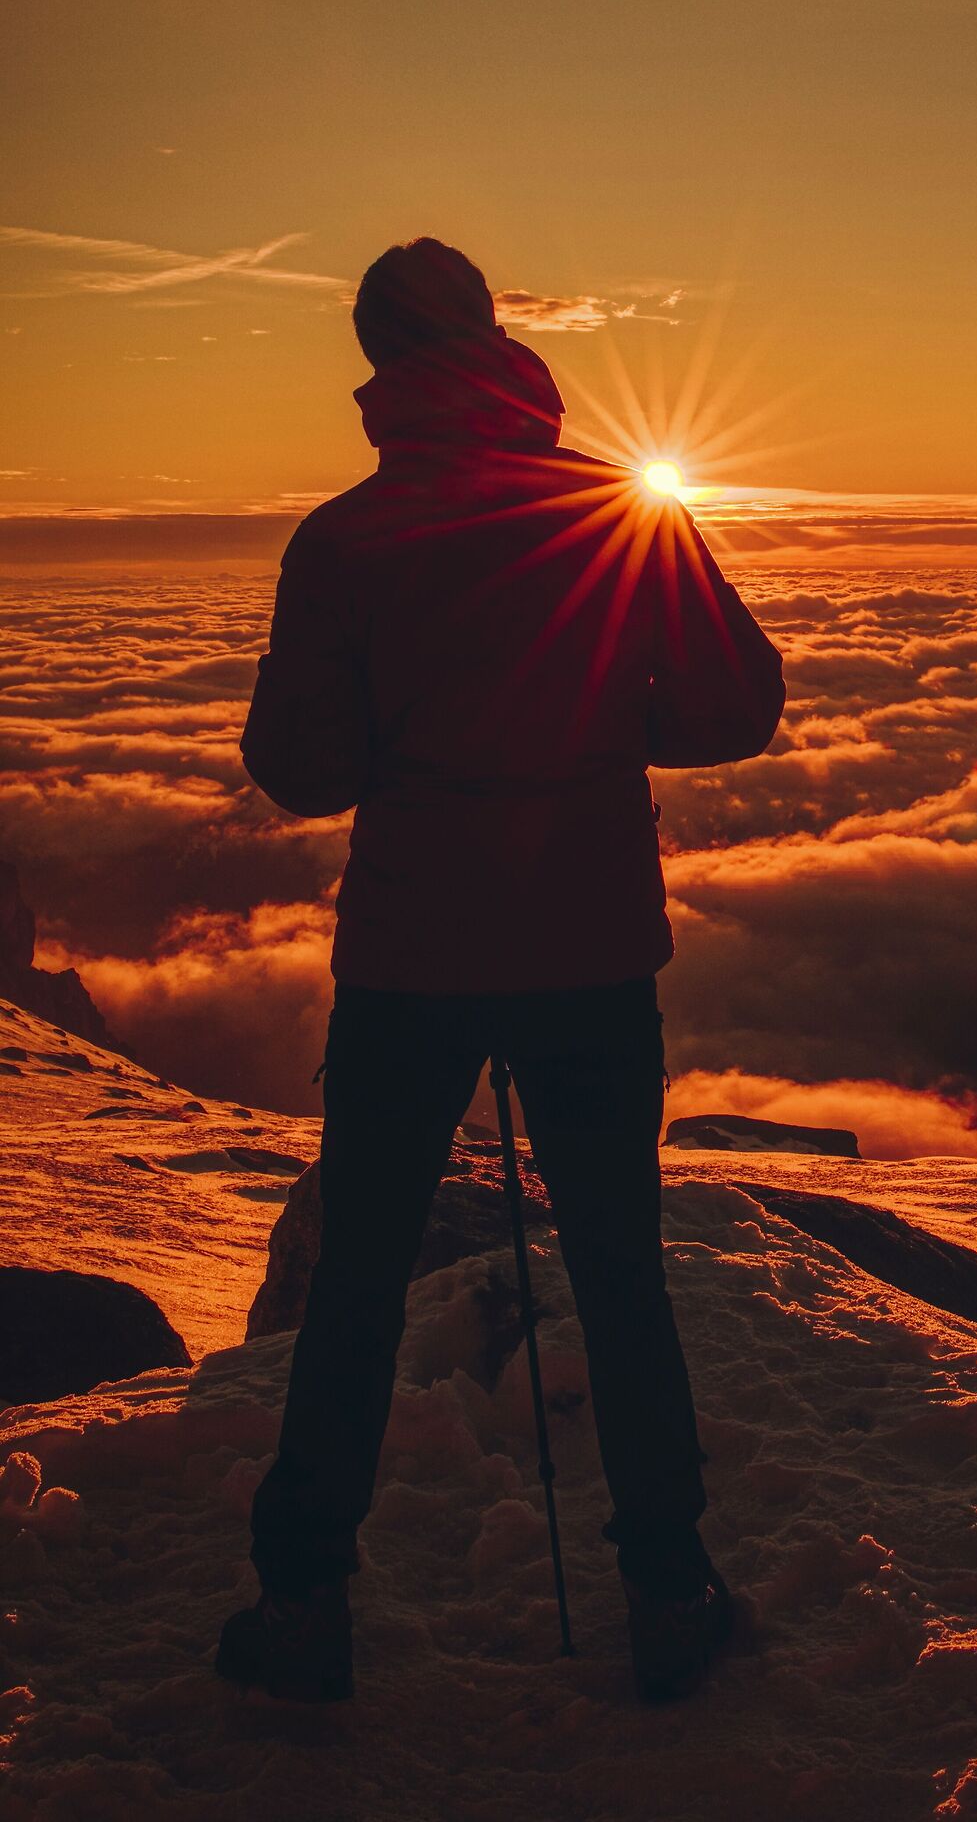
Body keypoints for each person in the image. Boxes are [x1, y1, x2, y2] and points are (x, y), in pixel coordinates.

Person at [215, 239, 785, 1705]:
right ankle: (669, 1590)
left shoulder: (345, 540)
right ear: (492, 343)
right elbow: (736, 706)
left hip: (411, 956)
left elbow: (301, 772)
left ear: (379, 363)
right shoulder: (611, 508)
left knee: (354, 1283)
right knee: (618, 1271)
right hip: (591, 950)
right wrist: (597, 728)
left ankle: (300, 1608)